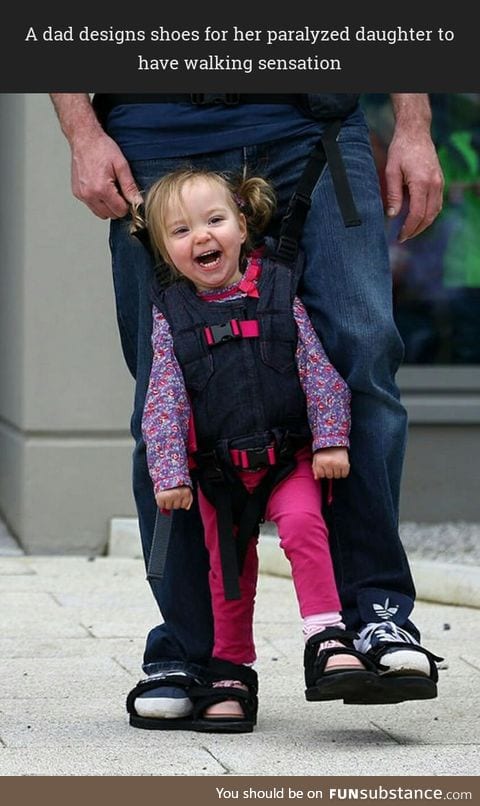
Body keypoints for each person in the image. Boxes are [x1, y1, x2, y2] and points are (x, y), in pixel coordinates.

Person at [49, 93, 444, 729]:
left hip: (312, 123)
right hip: (155, 131)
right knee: (166, 390)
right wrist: (81, 130)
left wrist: (415, 125)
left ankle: (376, 619)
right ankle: (193, 652)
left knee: (362, 359)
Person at [131, 167, 381, 732]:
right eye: (179, 230)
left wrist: (332, 439)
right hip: (219, 476)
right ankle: (231, 671)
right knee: (229, 573)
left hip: (288, 461)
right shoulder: (171, 315)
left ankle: (326, 636)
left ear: (243, 225)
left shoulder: (276, 292)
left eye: (215, 220)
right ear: (163, 251)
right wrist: (169, 473)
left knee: (304, 530)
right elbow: (163, 399)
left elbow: (317, 369)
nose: (201, 236)